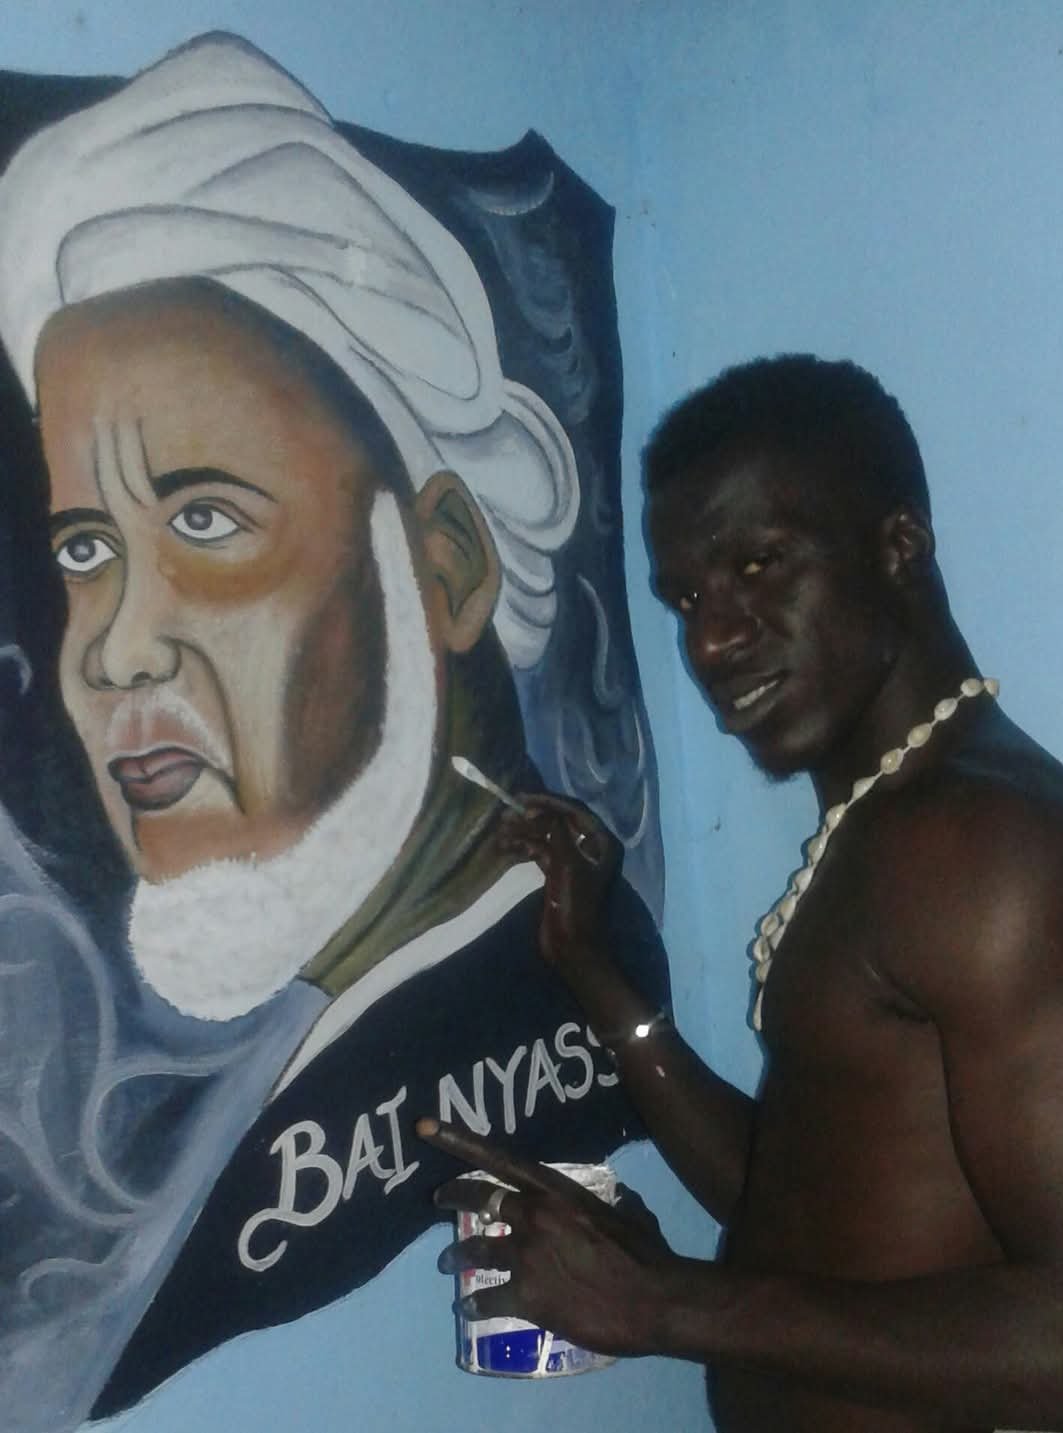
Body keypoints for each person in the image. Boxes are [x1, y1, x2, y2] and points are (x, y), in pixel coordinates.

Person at [0, 33, 669, 1417]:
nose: (115, 646)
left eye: (205, 518)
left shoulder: (566, 943)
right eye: (85, 550)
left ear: (446, 564)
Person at [421, 354, 1063, 1433]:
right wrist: (598, 975)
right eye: (687, 598)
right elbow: (802, 1204)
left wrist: (665, 1305)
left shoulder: (981, 848)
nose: (711, 641)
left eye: (761, 565)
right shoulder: (886, 829)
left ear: (899, 545)